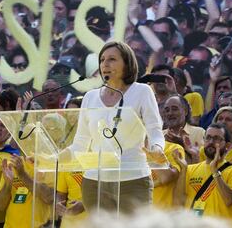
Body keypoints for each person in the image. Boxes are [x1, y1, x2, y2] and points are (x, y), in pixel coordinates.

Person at [70, 41, 165, 213]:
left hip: (133, 180)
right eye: (102, 60)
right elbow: (81, 142)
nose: (105, 64)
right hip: (94, 182)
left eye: (112, 59)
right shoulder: (90, 97)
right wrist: (50, 159)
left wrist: (157, 148)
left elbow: (155, 130)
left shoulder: (142, 91)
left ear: (127, 64)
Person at [172, 123, 232, 220]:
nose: (211, 141)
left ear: (227, 145)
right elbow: (178, 203)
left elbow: (229, 200)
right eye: (208, 138)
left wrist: (214, 170)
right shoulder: (189, 169)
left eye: (217, 138)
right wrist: (183, 169)